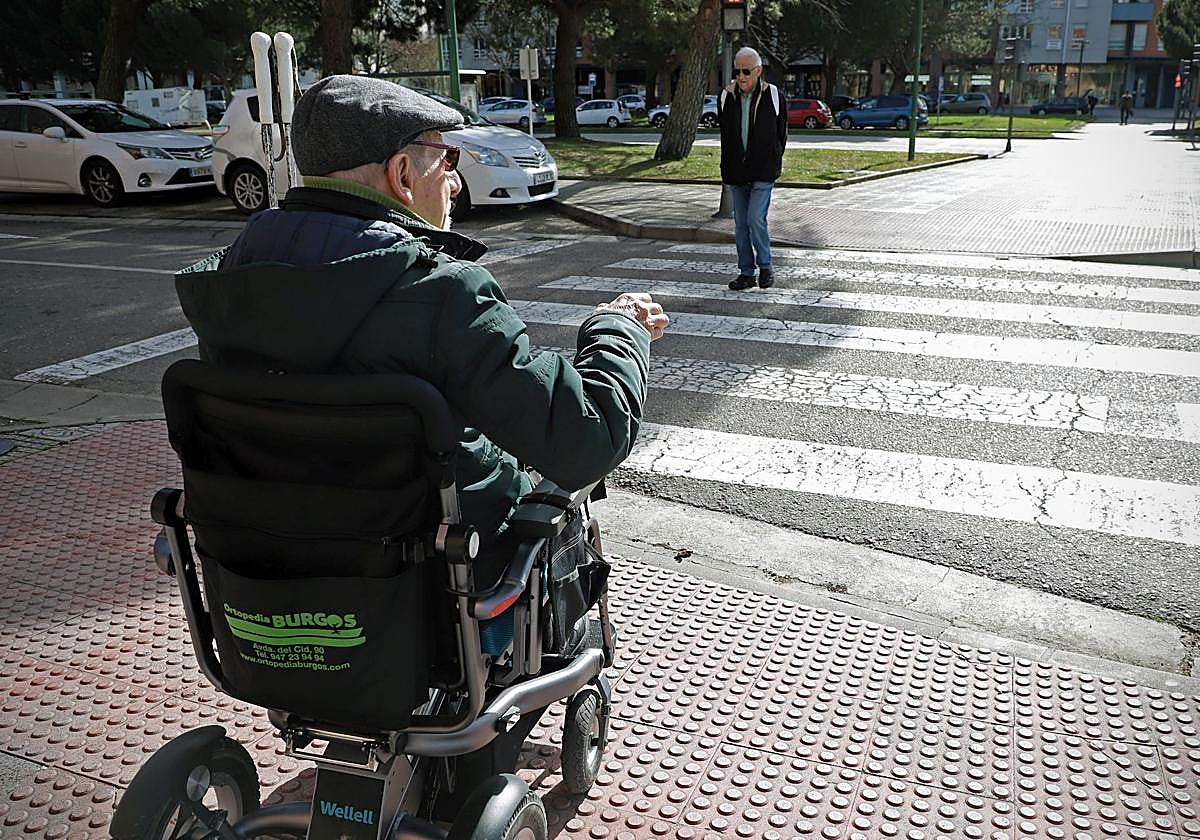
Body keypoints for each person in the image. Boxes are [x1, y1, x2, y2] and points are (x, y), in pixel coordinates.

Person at [173, 75, 670, 591]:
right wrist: (619, 327)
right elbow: (589, 440)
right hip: (443, 593)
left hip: (263, 586)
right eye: (447, 160)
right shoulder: (445, 292)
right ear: (403, 173)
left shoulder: (231, 277)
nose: (454, 183)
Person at [717, 46, 788, 291]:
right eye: (736, 71)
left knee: (755, 218)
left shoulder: (774, 95)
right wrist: (728, 167)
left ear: (758, 71)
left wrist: (773, 161)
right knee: (741, 224)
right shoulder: (726, 96)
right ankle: (746, 273)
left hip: (763, 172)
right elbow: (725, 136)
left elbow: (781, 134)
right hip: (736, 172)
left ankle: (766, 267)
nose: (741, 76)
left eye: (746, 71)